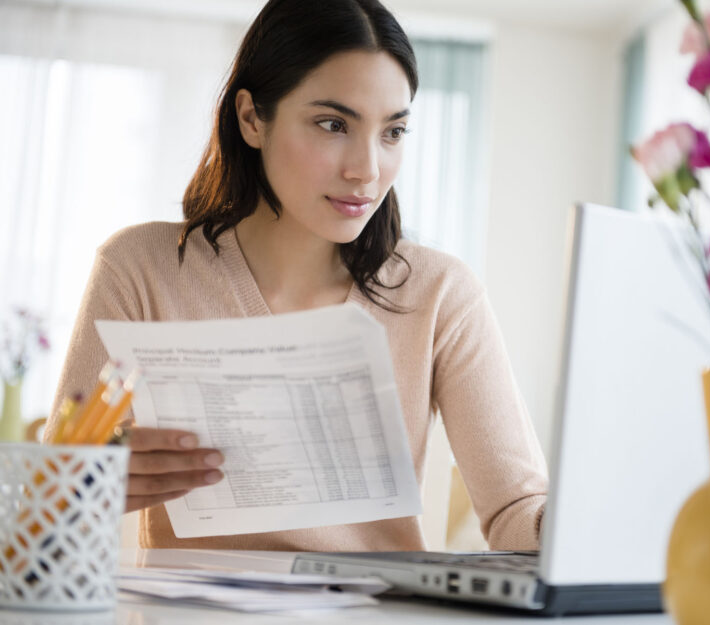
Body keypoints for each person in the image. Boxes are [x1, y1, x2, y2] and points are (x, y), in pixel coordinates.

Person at [46, 0, 547, 551]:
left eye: (393, 132)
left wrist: (588, 521)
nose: (367, 169)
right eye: (333, 124)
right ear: (251, 119)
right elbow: (48, 509)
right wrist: (82, 491)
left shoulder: (440, 293)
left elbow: (516, 511)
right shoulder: (140, 268)